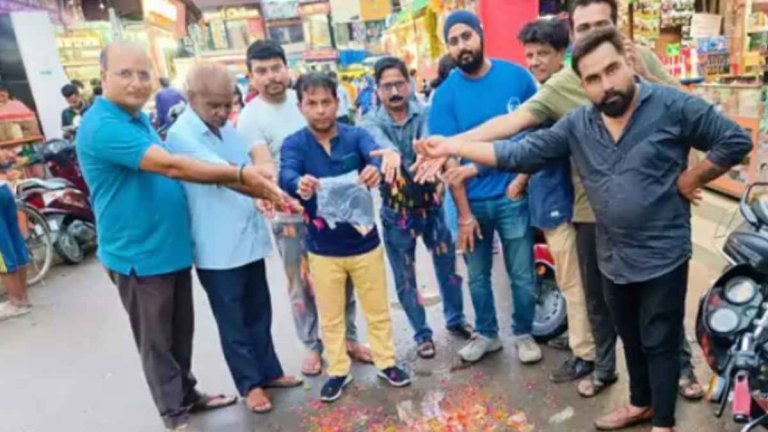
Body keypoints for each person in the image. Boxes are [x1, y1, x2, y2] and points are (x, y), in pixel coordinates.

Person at [415, 27, 753, 432]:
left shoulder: (671, 106)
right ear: (582, 83)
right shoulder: (578, 124)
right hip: (612, 253)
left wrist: (692, 177)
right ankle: (640, 403)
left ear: (628, 62)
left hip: (663, 252)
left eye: (612, 70)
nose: (606, 85)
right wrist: (452, 146)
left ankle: (664, 421)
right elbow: (519, 151)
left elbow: (734, 140)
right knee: (628, 334)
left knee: (660, 339)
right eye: (593, 79)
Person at [76, 42, 288, 432]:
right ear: (103, 77)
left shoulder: (136, 118)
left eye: (143, 74)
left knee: (179, 334)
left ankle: (187, 394)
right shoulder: (103, 125)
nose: (137, 83)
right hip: (137, 252)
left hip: (171, 247)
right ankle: (174, 415)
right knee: (157, 341)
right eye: (125, 74)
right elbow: (172, 167)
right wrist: (242, 177)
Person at [165, 64, 303, 415]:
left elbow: (250, 166)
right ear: (192, 99)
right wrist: (273, 193)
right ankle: (250, 384)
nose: (222, 112)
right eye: (213, 105)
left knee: (259, 310)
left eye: (227, 104)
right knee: (233, 320)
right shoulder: (183, 135)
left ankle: (269, 371)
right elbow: (229, 176)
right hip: (216, 246)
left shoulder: (228, 129)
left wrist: (265, 190)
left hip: (247, 238)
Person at [237, 40, 372, 377]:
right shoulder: (251, 117)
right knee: (300, 282)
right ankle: (313, 345)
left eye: (276, 68)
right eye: (262, 71)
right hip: (289, 211)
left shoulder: (308, 98)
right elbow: (263, 161)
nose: (271, 77)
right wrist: (281, 190)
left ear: (287, 67)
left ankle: (348, 339)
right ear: (251, 77)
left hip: (333, 204)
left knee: (343, 274)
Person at [279, 72, 410, 402]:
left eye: (326, 102)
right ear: (301, 107)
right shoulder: (295, 143)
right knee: (332, 315)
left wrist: (377, 169)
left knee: (377, 309)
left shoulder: (356, 136)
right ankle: (337, 370)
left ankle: (387, 362)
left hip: (365, 245)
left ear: (338, 103)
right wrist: (298, 184)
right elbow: (286, 173)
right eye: (313, 104)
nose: (321, 110)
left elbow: (377, 154)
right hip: (322, 249)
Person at [429, 10, 541, 365]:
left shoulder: (517, 79)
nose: (462, 45)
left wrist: (522, 179)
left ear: (480, 34)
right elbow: (448, 159)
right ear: (447, 47)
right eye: (453, 41)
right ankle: (488, 334)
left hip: (513, 195)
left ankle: (524, 332)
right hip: (472, 203)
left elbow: (533, 136)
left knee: (522, 273)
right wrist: (463, 214)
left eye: (466, 36)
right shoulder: (444, 96)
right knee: (477, 276)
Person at [359, 57, 473, 359]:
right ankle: (422, 334)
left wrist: (426, 151)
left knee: (447, 267)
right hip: (397, 211)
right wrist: (392, 155)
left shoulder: (426, 111)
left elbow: (427, 135)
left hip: (431, 205)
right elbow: (381, 144)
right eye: (387, 86)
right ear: (378, 90)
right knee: (405, 276)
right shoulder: (370, 121)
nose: (394, 91)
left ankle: (456, 320)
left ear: (408, 85)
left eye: (399, 83)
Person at [510, 17, 598, 383]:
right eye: (529, 54)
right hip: (549, 203)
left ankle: (586, 354)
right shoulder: (547, 92)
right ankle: (581, 340)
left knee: (574, 282)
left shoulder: (558, 97)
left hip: (564, 203)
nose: (534, 61)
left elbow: (536, 151)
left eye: (543, 53)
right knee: (570, 280)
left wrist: (519, 174)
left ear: (563, 54)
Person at [0, 148, 30, 321]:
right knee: (15, 242)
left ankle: (16, 302)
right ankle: (23, 298)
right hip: (4, 189)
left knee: (3, 254)